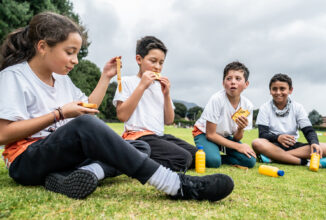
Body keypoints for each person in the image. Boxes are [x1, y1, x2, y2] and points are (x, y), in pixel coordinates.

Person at [0, 12, 234, 201]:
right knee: (86, 125)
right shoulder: (15, 77)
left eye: (77, 53)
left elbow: (87, 107)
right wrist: (59, 114)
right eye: (70, 52)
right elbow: (3, 134)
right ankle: (174, 184)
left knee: (139, 146)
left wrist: (105, 77)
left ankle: (81, 175)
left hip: (59, 158)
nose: (75, 60)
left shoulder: (61, 79)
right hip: (25, 160)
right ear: (42, 47)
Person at [113, 36, 197, 172]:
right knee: (183, 159)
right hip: (137, 136)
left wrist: (167, 93)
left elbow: (169, 121)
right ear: (139, 59)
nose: (157, 67)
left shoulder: (160, 87)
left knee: (196, 156)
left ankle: (139, 157)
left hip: (158, 136)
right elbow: (122, 115)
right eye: (153, 61)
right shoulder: (127, 81)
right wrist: (142, 86)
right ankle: (133, 156)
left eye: (161, 63)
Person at [251, 73, 326, 168]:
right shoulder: (264, 108)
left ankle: (275, 157)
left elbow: (308, 130)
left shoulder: (298, 107)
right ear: (270, 91)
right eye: (274, 89)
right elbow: (262, 134)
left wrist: (314, 143)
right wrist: (278, 138)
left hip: (293, 145)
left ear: (290, 90)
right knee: (256, 143)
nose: (278, 92)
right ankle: (303, 162)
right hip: (272, 145)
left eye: (282, 89)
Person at [192, 61, 256, 168]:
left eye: (238, 78)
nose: (233, 82)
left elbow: (236, 138)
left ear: (246, 84)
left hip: (224, 137)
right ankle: (205, 155)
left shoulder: (248, 105)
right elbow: (210, 134)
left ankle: (212, 155)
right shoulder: (217, 99)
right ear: (223, 83)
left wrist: (240, 129)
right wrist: (238, 147)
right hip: (203, 133)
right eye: (229, 78)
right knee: (213, 162)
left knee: (250, 161)